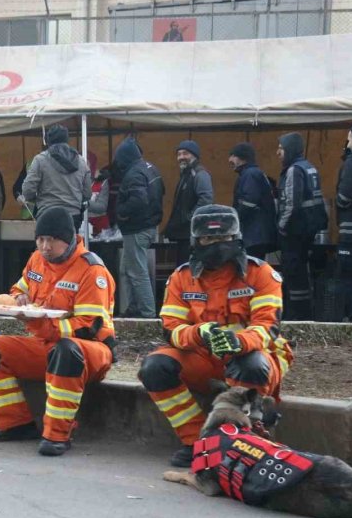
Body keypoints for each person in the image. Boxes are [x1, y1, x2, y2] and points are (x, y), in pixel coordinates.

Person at [138, 205, 293, 467]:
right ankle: (199, 441)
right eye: (208, 239)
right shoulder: (181, 278)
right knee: (154, 367)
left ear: (236, 239)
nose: (216, 245)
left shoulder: (261, 274)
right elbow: (171, 329)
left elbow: (268, 327)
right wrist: (199, 333)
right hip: (203, 357)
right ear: (195, 241)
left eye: (223, 238)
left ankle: (245, 445)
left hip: (255, 358)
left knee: (251, 364)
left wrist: (239, 341)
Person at [0, 207, 116, 457]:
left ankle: (57, 434)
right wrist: (20, 299)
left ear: (67, 240)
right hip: (45, 343)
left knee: (66, 350)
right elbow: (18, 289)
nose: (45, 246)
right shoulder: (37, 259)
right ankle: (14, 423)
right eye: (40, 239)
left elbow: (88, 327)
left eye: (51, 240)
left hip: (88, 351)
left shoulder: (92, 270)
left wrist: (39, 323)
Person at [276, 132, 328, 320]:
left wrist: (281, 227)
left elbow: (292, 204)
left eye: (281, 148)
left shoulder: (294, 170)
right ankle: (305, 314)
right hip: (307, 232)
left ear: (289, 149)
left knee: (293, 276)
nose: (277, 153)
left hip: (294, 234)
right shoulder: (309, 168)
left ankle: (296, 318)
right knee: (303, 277)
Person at [112, 137, 165, 318]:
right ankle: (134, 308)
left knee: (137, 272)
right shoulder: (150, 168)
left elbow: (139, 200)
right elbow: (160, 192)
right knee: (127, 269)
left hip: (136, 229)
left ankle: (147, 314)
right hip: (148, 226)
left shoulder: (134, 174)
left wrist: (121, 213)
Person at [21, 125, 91, 228]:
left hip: (47, 214)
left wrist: (37, 199)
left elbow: (27, 191)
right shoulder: (81, 162)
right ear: (67, 139)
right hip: (73, 216)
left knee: (47, 244)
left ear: (48, 141)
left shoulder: (40, 160)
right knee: (70, 244)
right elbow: (87, 193)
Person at [165, 140, 214, 265]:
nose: (181, 157)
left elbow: (206, 200)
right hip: (184, 234)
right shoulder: (186, 174)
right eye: (179, 154)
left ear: (195, 155)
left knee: (190, 267)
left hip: (193, 234)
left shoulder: (200, 174)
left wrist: (190, 218)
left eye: (185, 153)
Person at [229, 142, 277, 259]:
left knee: (251, 270)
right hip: (257, 236)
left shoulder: (250, 174)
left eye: (233, 156)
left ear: (243, 158)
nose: (229, 160)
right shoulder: (252, 173)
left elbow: (249, 202)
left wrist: (234, 220)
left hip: (254, 236)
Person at [336, 124, 352, 321]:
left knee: (351, 277)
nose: (347, 143)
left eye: (349, 139)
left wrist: (339, 202)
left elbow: (345, 195)